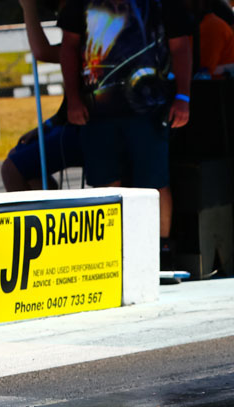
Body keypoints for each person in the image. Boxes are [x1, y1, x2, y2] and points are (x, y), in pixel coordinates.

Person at [57, 0, 193, 268]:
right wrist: (72, 98)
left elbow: (181, 46)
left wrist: (183, 97)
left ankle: (160, 252)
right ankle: (112, 255)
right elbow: (69, 47)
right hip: (98, 111)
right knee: (107, 184)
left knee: (154, 183)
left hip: (149, 108)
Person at [1, 0, 84, 191]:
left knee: (12, 169)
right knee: (21, 159)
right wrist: (47, 125)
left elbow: (42, 51)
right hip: (72, 123)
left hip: (90, 126)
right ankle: (52, 205)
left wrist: (28, 8)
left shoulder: (87, 43)